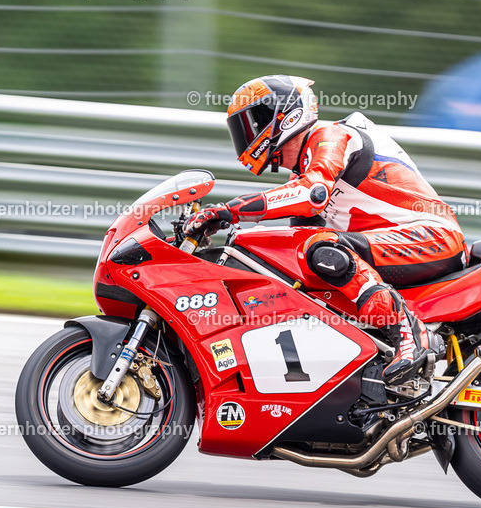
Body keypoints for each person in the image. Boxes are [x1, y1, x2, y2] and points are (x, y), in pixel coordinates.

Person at [185, 75, 465, 385]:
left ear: (288, 115)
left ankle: (409, 332)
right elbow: (298, 231)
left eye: (255, 121)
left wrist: (229, 211)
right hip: (394, 245)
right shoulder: (303, 172)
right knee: (304, 258)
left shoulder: (331, 136)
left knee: (322, 249)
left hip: (433, 237)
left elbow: (312, 193)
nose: (247, 134)